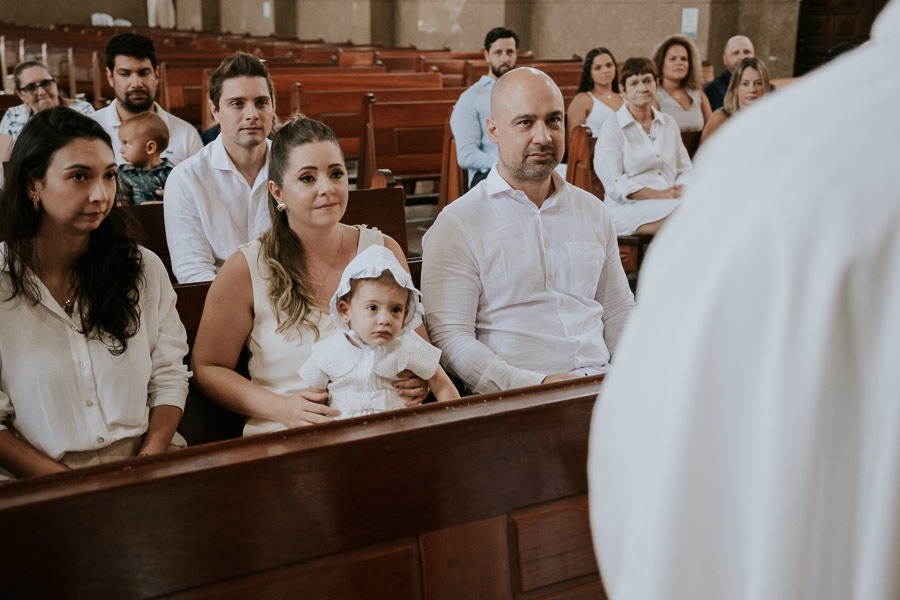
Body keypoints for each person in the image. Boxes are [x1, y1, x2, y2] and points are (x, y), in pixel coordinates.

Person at [588, 2, 900, 598]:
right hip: (637, 205)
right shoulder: (764, 148)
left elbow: (648, 458)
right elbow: (619, 182)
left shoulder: (775, 154)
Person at [191, 116, 429, 436]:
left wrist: (419, 382)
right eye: (307, 178)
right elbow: (208, 368)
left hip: (382, 430)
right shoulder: (246, 267)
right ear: (278, 191)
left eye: (336, 173)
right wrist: (281, 407)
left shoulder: (382, 251)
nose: (327, 189)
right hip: (287, 433)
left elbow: (418, 348)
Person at [0, 107, 189, 480]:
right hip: (36, 481)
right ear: (32, 185)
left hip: (148, 462)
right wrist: (71, 487)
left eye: (109, 175)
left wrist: (148, 460)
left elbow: (169, 375)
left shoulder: (141, 269)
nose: (100, 194)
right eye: (79, 177)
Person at [422, 67, 634, 395]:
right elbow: (452, 341)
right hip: (516, 400)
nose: (544, 137)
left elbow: (618, 308)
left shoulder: (592, 211)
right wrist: (535, 385)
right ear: (493, 130)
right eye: (525, 122)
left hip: (604, 387)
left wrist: (628, 376)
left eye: (553, 120)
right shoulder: (458, 224)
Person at [299, 245, 460, 419]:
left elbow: (442, 385)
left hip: (403, 431)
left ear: (406, 314)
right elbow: (315, 401)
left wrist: (451, 427)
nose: (385, 319)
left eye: (396, 310)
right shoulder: (329, 350)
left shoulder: (409, 345)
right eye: (372, 307)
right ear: (345, 311)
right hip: (346, 436)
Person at [164, 52, 275, 284]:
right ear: (215, 110)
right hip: (221, 305)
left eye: (261, 103)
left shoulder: (294, 165)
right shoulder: (186, 179)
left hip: (290, 300)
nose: (252, 115)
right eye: (237, 104)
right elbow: (194, 272)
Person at [594, 58, 691, 236]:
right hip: (626, 208)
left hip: (671, 201)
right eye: (634, 83)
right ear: (622, 89)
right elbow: (616, 184)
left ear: (657, 83)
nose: (642, 88)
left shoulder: (668, 123)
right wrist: (660, 194)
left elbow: (685, 168)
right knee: (690, 215)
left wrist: (680, 188)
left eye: (647, 81)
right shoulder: (613, 127)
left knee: (705, 208)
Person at [91, 32, 202, 166]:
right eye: (124, 74)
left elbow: (200, 186)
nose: (136, 83)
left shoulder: (186, 135)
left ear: (156, 74)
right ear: (110, 77)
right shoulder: (89, 129)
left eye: (144, 73)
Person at [449, 27, 519, 188]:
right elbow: (466, 155)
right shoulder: (471, 97)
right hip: (488, 174)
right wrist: (508, 166)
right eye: (498, 52)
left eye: (510, 52)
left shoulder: (523, 91)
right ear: (487, 55)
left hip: (525, 169)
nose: (505, 58)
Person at [0, 61, 94, 165]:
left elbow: (91, 152)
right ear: (21, 94)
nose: (42, 92)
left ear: (55, 83)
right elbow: (6, 164)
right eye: (31, 87)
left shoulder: (81, 110)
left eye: (46, 83)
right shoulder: (12, 115)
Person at [700, 57, 770, 143]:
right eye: (745, 84)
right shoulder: (720, 118)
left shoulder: (771, 120)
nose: (752, 90)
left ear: (766, 87)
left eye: (758, 83)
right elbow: (704, 155)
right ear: (736, 87)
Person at [651, 34, 712, 132]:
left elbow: (712, 130)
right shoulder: (654, 95)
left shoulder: (698, 94)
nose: (679, 63)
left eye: (684, 59)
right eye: (673, 59)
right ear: (661, 63)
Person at [566, 47, 623, 142]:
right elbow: (572, 142)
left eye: (609, 65)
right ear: (590, 73)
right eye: (598, 68)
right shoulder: (583, 100)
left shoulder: (624, 97)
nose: (605, 71)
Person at [116, 112, 174, 205]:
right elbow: (121, 205)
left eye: (126, 143)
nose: (121, 150)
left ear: (150, 148)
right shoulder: (123, 173)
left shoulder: (173, 172)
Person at [703, 35, 755, 111]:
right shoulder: (712, 90)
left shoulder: (766, 87)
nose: (742, 57)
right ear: (725, 59)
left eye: (746, 52)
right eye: (736, 53)